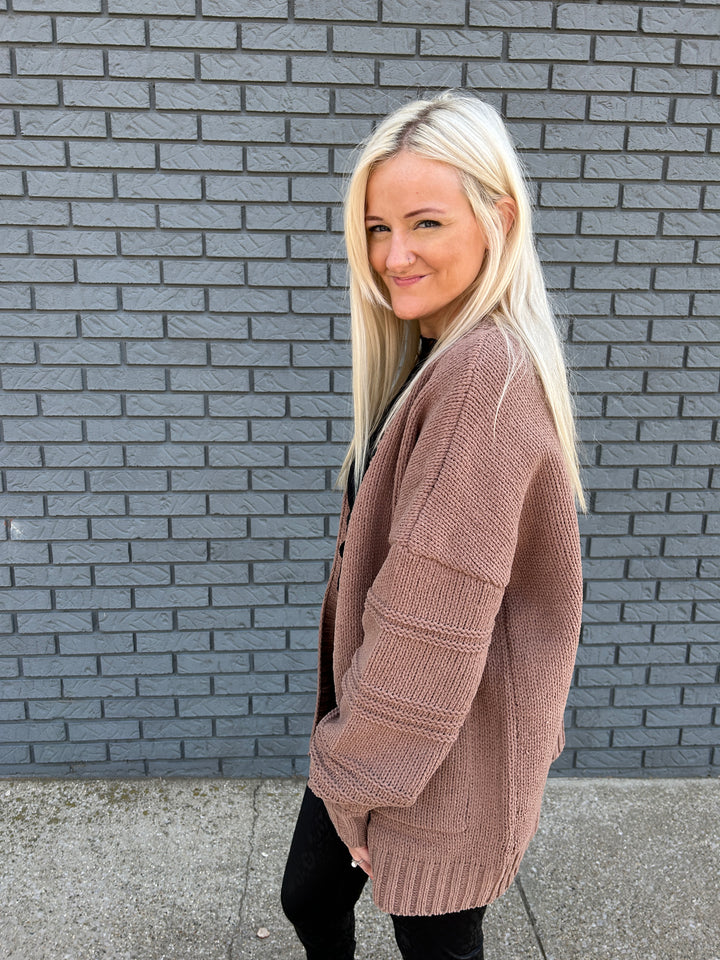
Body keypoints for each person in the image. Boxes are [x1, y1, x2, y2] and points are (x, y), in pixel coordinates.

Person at [280, 90, 585, 960]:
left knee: (435, 943)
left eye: (425, 224)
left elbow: (428, 624)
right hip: (394, 733)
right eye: (378, 228)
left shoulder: (481, 380)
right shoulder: (439, 352)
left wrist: (355, 784)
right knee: (309, 896)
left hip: (438, 755)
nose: (393, 255)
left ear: (500, 218)